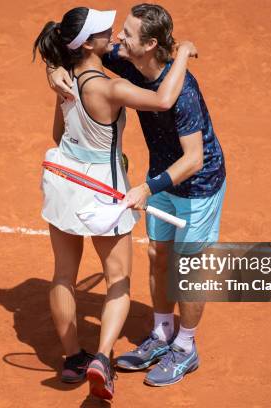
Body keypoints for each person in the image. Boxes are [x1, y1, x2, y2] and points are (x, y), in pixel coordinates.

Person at [47, 3, 226, 387]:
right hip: (159, 176)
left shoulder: (185, 92)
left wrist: (147, 187)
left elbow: (194, 159)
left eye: (126, 34)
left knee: (188, 267)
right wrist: (55, 70)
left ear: (150, 45)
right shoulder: (126, 60)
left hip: (197, 184)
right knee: (157, 256)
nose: (117, 38)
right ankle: (162, 335)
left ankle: (185, 347)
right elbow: (71, 51)